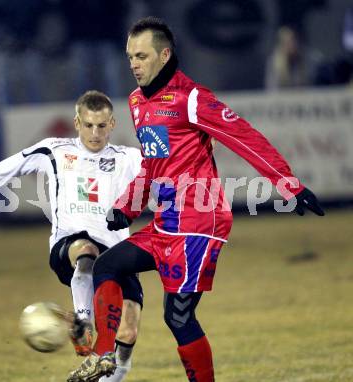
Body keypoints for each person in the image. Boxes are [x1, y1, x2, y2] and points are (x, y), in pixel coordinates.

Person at [68, 17, 325, 382]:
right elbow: (153, 164)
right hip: (165, 224)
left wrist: (288, 184)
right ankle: (103, 356)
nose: (133, 64)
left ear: (164, 54)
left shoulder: (191, 99)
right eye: (129, 57)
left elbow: (243, 136)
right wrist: (127, 207)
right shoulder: (138, 103)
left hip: (200, 224)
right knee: (107, 266)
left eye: (141, 56)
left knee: (178, 317)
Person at [0, 90, 144, 382]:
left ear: (112, 124)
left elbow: (170, 164)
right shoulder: (55, 150)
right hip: (70, 245)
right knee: (86, 252)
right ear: (77, 122)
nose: (95, 132)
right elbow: (9, 168)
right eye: (88, 125)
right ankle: (84, 321)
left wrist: (200, 148)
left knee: (128, 332)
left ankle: (115, 370)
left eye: (102, 125)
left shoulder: (128, 157)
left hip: (117, 253)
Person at [265, 26, 322, 90]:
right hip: (282, 98)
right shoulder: (274, 62)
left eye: (293, 40)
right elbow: (272, 89)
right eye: (287, 42)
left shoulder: (310, 59)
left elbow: (313, 85)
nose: (292, 45)